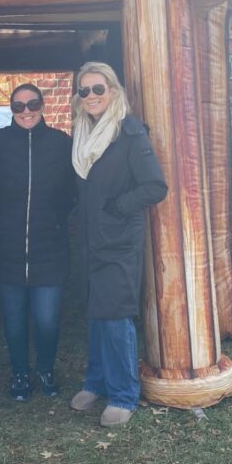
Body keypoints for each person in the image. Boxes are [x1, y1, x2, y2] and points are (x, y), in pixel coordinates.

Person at [69, 61, 167, 427]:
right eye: (85, 90)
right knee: (96, 315)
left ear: (113, 91)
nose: (92, 96)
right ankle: (96, 382)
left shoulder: (129, 133)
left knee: (115, 318)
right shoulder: (81, 132)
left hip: (119, 242)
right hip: (91, 241)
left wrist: (116, 208)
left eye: (98, 89)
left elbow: (155, 186)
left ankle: (124, 394)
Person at [0, 82, 75, 401]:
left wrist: (57, 221)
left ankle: (46, 368)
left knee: (47, 320)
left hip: (49, 249)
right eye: (19, 106)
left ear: (43, 105)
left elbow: (72, 193)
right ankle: (20, 373)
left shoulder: (61, 143)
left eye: (32, 104)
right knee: (14, 321)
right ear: (11, 110)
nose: (26, 111)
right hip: (8, 249)